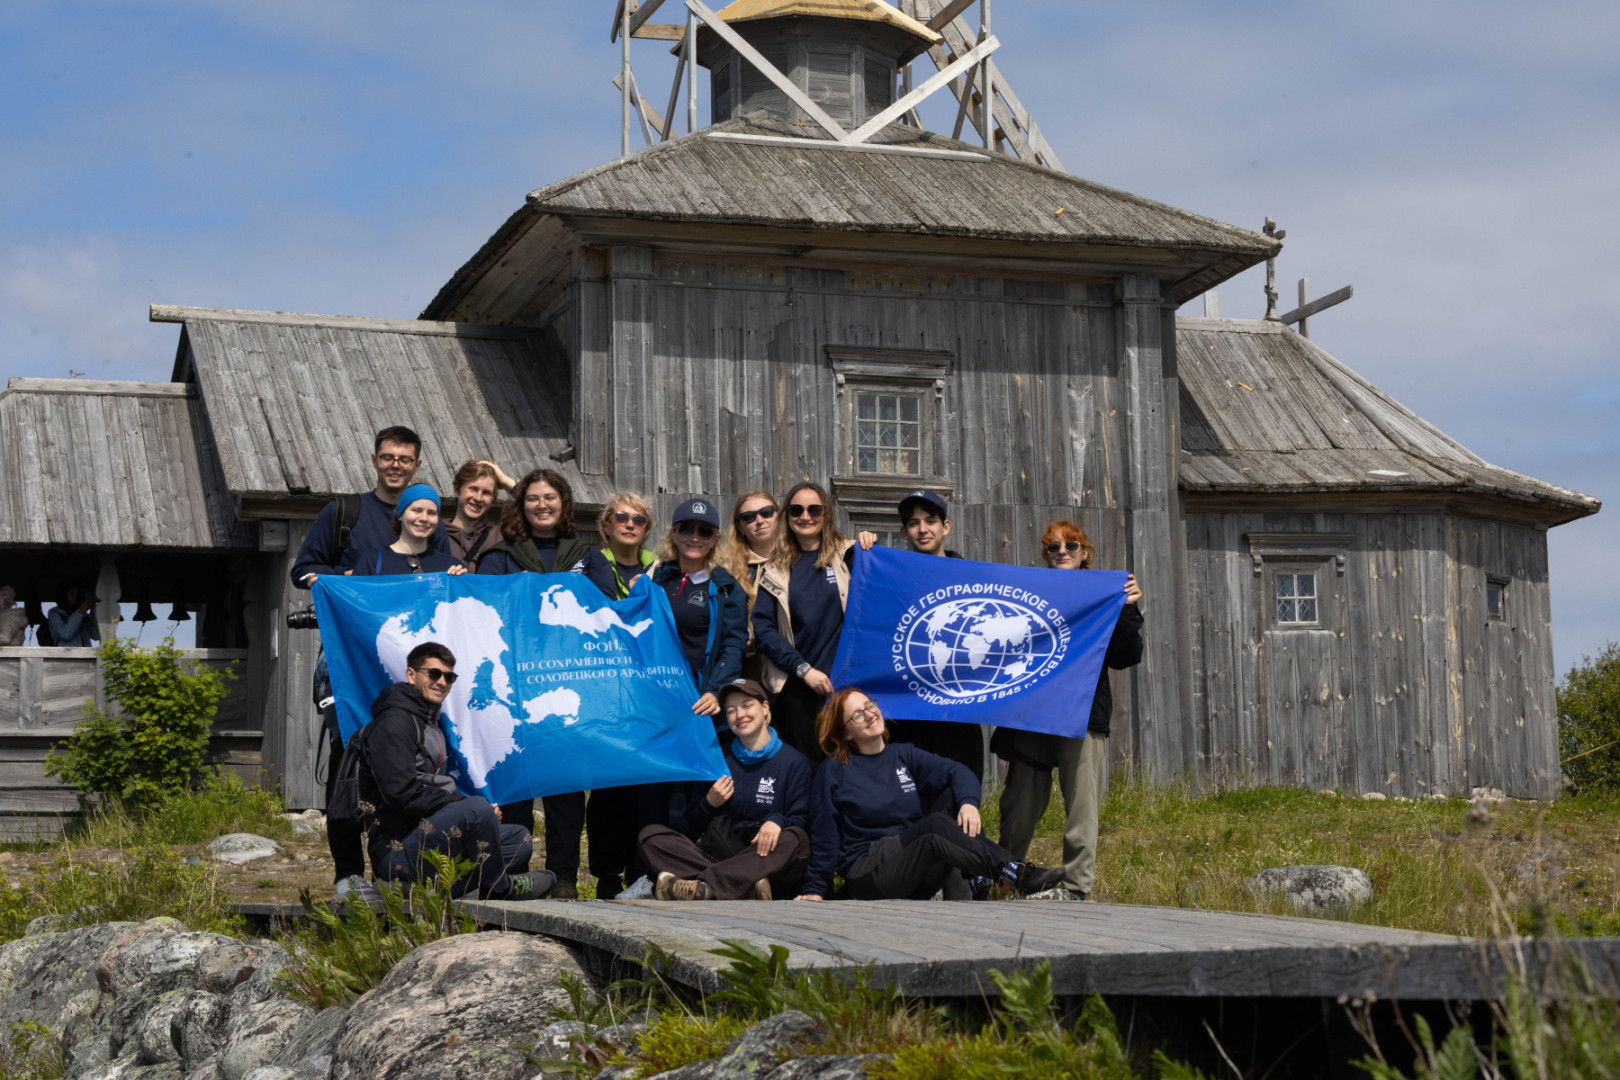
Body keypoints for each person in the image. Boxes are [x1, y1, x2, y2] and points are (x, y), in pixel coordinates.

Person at [290, 424, 448, 907]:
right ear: (375, 459)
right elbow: (304, 571)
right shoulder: (345, 513)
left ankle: (398, 867)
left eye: (405, 458)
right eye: (388, 457)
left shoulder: (431, 527)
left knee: (410, 765)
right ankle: (346, 874)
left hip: (412, 671)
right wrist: (352, 579)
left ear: (417, 464)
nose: (395, 464)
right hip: (351, 662)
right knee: (349, 764)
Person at [478, 468, 616, 897]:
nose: (542, 505)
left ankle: (563, 878)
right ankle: (511, 874)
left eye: (550, 498)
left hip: (566, 688)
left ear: (564, 504)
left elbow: (606, 611)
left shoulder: (588, 555)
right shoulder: (500, 556)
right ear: (521, 505)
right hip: (513, 688)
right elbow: (482, 615)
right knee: (515, 785)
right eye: (534, 498)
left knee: (566, 789)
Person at [994, 520, 1144, 902]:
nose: (1062, 552)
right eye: (1053, 548)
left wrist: (1126, 608)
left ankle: (1076, 888)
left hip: (1082, 712)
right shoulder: (1031, 593)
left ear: (1085, 554)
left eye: (1071, 546)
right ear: (1044, 556)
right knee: (1018, 805)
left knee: (1081, 803)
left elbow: (1126, 657)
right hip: (1034, 714)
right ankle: (1003, 880)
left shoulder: (1103, 596)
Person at [799, 688, 1062, 902]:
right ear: (846, 732)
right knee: (934, 826)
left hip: (913, 869)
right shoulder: (833, 771)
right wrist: (815, 889)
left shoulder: (903, 755)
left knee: (952, 795)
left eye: (870, 706)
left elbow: (958, 772)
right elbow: (824, 835)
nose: (869, 715)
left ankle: (980, 877)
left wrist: (969, 804)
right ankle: (1017, 874)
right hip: (871, 872)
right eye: (857, 715)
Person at [359, 642, 552, 901]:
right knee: (477, 810)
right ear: (411, 675)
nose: (442, 682)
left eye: (449, 677)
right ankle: (500, 888)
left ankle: (423, 892)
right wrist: (466, 807)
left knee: (519, 839)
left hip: (430, 836)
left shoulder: (427, 720)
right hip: (398, 848)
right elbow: (400, 793)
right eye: (434, 673)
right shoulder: (394, 723)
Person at [640, 678, 812, 900]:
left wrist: (778, 821)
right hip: (719, 855)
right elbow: (690, 829)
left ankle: (703, 887)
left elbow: (802, 820)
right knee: (650, 836)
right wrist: (709, 803)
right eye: (731, 710)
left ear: (765, 707)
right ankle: (742, 888)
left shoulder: (794, 762)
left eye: (747, 705)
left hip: (764, 858)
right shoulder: (716, 759)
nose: (740, 715)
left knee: (796, 840)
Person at [752, 483, 856, 766]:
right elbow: (764, 629)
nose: (805, 516)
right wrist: (803, 670)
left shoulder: (848, 555)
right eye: (796, 510)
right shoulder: (775, 569)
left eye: (814, 509)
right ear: (787, 516)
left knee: (848, 767)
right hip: (798, 687)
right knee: (805, 768)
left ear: (827, 514)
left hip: (846, 686)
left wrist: (869, 543)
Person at [718, 491, 780, 683]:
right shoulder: (725, 567)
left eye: (766, 513)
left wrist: (865, 541)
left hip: (792, 663)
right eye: (749, 517)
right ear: (740, 527)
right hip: (745, 667)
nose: (759, 520)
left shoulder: (799, 561)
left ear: (778, 517)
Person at [352, 485, 470, 576]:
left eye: (431, 513)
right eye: (417, 510)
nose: (424, 518)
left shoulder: (450, 566)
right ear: (400, 514)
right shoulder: (373, 561)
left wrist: (462, 584)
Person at [444, 460, 514, 570]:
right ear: (457, 490)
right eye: (473, 489)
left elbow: (537, 512)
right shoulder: (435, 534)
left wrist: (509, 484)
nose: (478, 498)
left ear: (493, 500)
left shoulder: (500, 537)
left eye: (486, 493)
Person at [600, 491, 657, 598]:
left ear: (646, 530)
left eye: (639, 520)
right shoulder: (593, 566)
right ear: (607, 527)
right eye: (621, 517)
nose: (630, 525)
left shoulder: (660, 568)